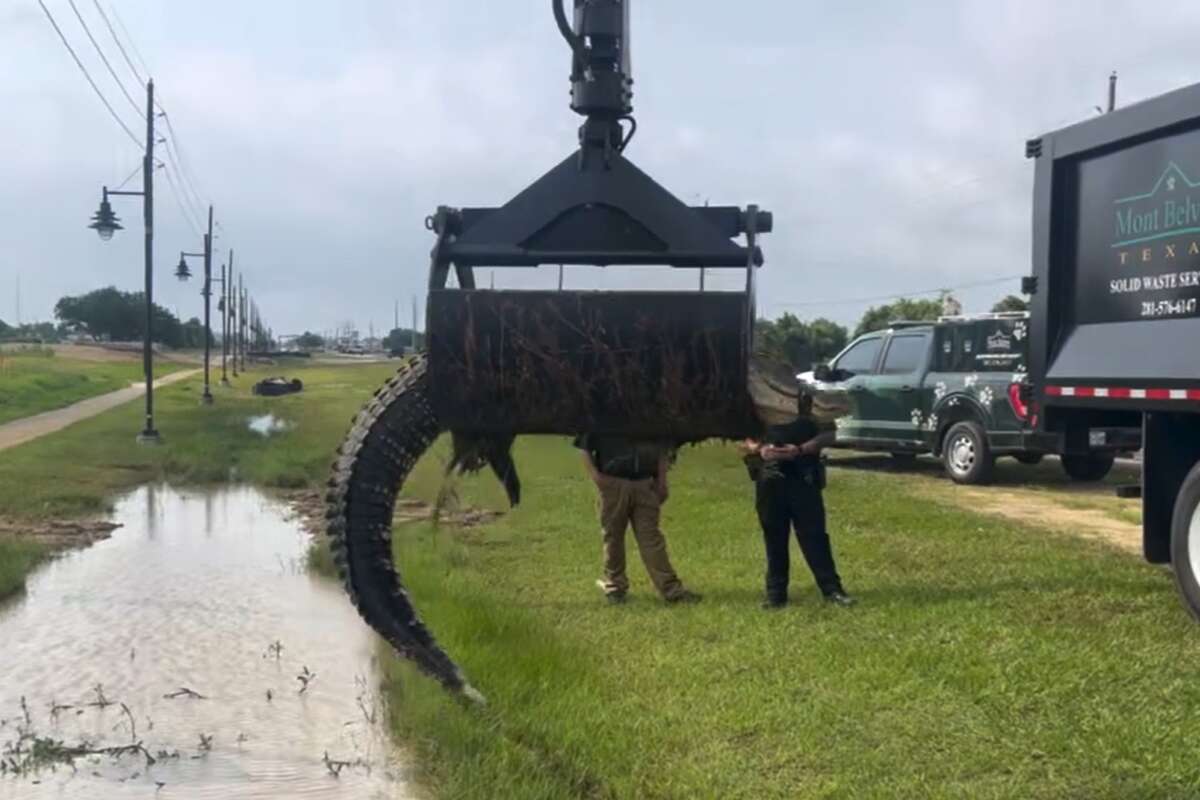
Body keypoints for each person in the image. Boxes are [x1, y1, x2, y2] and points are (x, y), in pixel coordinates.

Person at [741, 392, 854, 609]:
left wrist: (801, 449)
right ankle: (776, 595)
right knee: (774, 537)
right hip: (769, 478)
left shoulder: (808, 399)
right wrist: (761, 449)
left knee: (814, 536)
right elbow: (747, 435)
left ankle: (832, 590)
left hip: (803, 476)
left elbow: (829, 434)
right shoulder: (759, 401)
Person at [574, 433, 701, 605]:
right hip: (613, 482)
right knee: (613, 537)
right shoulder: (601, 412)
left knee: (651, 538)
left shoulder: (650, 413)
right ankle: (615, 588)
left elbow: (661, 447)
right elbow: (583, 446)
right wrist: (597, 478)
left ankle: (672, 590)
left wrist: (662, 480)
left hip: (645, 484)